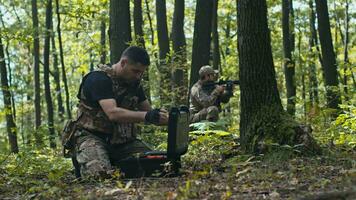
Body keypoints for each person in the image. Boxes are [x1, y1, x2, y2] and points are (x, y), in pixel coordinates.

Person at [72, 46, 168, 178]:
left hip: (123, 143)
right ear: (123, 63)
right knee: (100, 175)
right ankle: (88, 161)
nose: (138, 76)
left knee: (161, 166)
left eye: (141, 72)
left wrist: (166, 118)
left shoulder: (134, 84)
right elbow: (113, 113)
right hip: (92, 137)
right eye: (135, 71)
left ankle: (116, 164)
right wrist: (147, 116)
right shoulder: (98, 79)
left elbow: (149, 112)